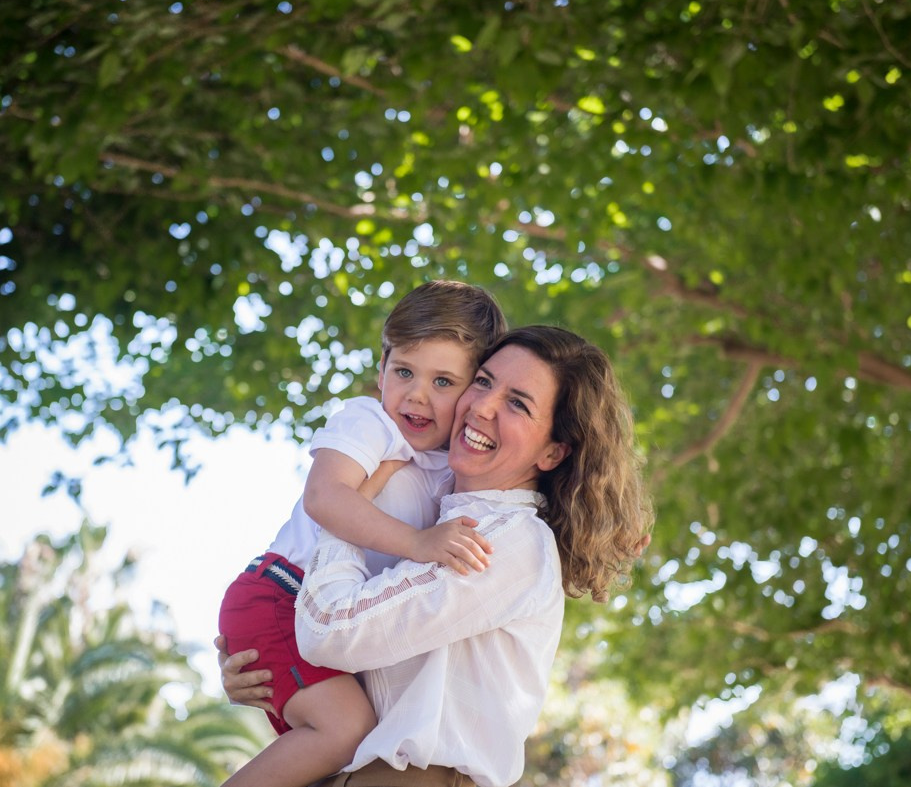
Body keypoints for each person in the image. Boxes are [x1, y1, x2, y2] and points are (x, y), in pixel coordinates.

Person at [220, 325, 654, 787]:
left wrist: (351, 510)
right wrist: (269, 670)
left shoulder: (507, 539)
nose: (482, 406)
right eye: (484, 381)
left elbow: (330, 630)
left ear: (552, 452)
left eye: (518, 404)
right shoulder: (434, 506)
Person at [217, 280, 509, 787]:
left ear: (474, 391)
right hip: (281, 593)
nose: (416, 394)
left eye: (444, 382)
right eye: (403, 372)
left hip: (328, 620)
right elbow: (325, 497)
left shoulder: (454, 468)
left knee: (338, 751)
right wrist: (418, 543)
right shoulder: (371, 422)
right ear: (380, 371)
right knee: (347, 729)